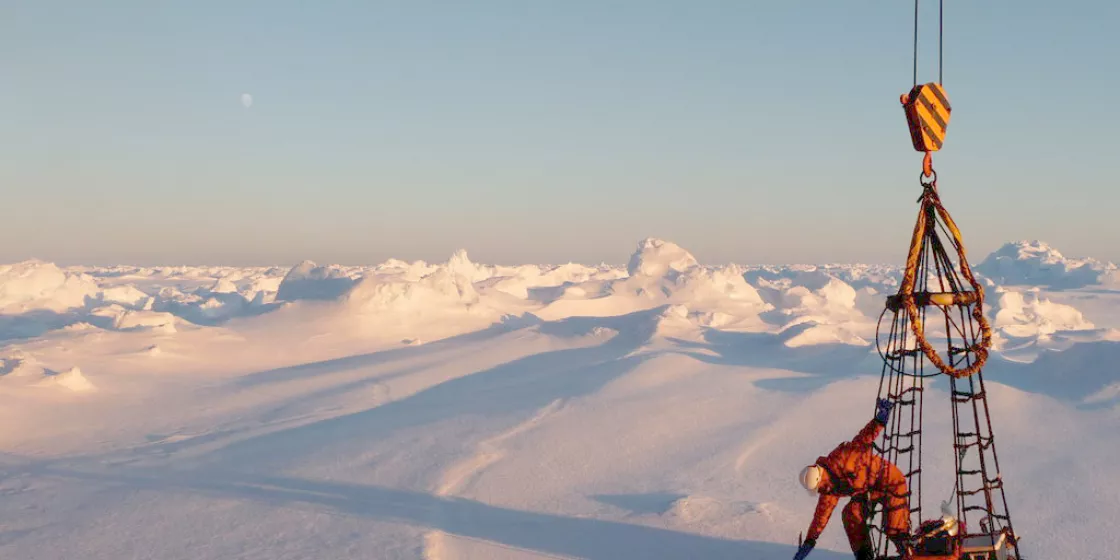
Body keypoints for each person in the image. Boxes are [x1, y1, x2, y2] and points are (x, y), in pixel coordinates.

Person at [792, 399, 911, 560]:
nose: (820, 491)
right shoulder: (829, 487)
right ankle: (864, 556)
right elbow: (821, 515)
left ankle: (909, 553)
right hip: (869, 491)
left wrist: (880, 419)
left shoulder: (843, 458)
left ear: (820, 479)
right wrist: (810, 540)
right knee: (850, 513)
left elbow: (863, 439)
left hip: (891, 482)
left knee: (894, 528)